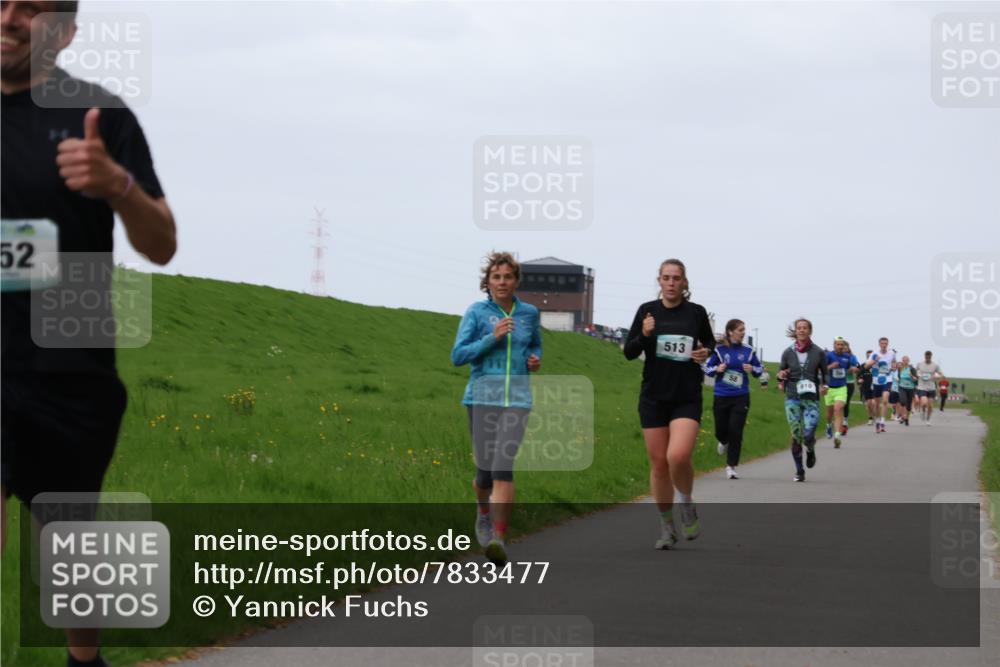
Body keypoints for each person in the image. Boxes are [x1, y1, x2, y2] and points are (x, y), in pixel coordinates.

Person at [2, 3, 177, 666]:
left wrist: (119, 186)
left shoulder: (99, 116)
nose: (12, 17)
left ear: (67, 31)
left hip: (68, 368)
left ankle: (86, 660)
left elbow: (161, 243)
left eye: (34, 8)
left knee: (68, 542)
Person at [452, 251, 541, 566]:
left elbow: (535, 345)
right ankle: (483, 512)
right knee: (485, 474)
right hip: (481, 399)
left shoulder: (529, 313)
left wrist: (534, 359)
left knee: (504, 467)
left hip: (517, 400)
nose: (502, 282)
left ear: (516, 281)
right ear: (487, 282)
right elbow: (458, 355)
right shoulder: (476, 313)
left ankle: (499, 539)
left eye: (508, 277)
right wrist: (493, 337)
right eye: (496, 277)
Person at [624, 259, 714, 549]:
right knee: (659, 464)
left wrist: (703, 353)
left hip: (686, 395)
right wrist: (645, 334)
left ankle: (685, 501)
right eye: (666, 278)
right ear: (659, 281)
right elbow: (629, 351)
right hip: (653, 396)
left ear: (684, 282)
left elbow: (709, 346)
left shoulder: (696, 313)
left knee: (678, 456)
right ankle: (666, 525)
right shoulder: (646, 311)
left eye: (677, 278)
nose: (672, 283)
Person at [704, 319, 763, 479]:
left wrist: (752, 368)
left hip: (741, 396)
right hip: (721, 396)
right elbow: (707, 368)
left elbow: (759, 369)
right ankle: (723, 441)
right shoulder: (720, 350)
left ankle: (731, 466)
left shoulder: (748, 350)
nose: (743, 332)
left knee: (736, 431)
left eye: (744, 330)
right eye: (740, 330)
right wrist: (717, 368)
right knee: (720, 430)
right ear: (730, 332)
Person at [777, 318, 828, 482]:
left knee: (808, 433)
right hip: (792, 396)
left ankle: (811, 449)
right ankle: (799, 470)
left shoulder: (819, 352)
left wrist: (825, 385)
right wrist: (781, 378)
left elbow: (825, 372)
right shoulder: (787, 352)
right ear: (796, 331)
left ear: (810, 331)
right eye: (799, 328)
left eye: (805, 328)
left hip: (811, 398)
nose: (801, 330)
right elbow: (780, 372)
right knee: (796, 434)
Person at [823, 337, 859, 448]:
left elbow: (848, 368)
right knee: (829, 414)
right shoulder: (828, 356)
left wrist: (853, 369)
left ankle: (837, 436)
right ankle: (829, 425)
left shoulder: (847, 357)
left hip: (842, 387)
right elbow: (822, 369)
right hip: (829, 388)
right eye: (838, 344)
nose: (840, 346)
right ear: (834, 345)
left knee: (838, 409)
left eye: (842, 344)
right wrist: (831, 366)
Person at [864, 338, 897, 433]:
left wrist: (894, 367)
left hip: (887, 379)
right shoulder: (874, 353)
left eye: (885, 343)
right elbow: (866, 366)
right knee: (877, 404)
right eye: (882, 343)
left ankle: (883, 422)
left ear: (888, 344)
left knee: (885, 400)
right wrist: (874, 361)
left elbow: (894, 361)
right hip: (876, 381)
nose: (884, 345)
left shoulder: (891, 353)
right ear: (879, 344)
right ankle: (878, 421)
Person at [915, 351, 943, 425]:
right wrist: (917, 375)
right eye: (926, 357)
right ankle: (922, 411)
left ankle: (928, 419)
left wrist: (936, 376)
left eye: (929, 357)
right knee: (924, 403)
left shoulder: (935, 365)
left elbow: (941, 374)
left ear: (931, 356)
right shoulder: (920, 364)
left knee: (930, 405)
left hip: (931, 388)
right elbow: (914, 372)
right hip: (922, 387)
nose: (927, 358)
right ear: (924, 356)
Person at [896, 355, 917, 426]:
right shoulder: (900, 369)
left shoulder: (912, 369)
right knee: (902, 401)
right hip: (902, 387)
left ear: (908, 361)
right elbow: (899, 377)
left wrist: (911, 376)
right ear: (902, 361)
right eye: (903, 360)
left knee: (908, 405)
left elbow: (915, 379)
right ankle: (903, 416)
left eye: (906, 360)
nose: (905, 362)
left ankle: (907, 418)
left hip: (910, 388)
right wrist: (899, 381)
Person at [842, 340, 857, 434]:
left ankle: (845, 422)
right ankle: (838, 422)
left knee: (845, 403)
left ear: (848, 347)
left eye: (845, 346)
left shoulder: (852, 357)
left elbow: (856, 368)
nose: (843, 348)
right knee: (838, 404)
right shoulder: (834, 357)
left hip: (849, 382)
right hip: (837, 383)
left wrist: (852, 369)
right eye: (841, 346)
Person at [858, 349, 877, 426]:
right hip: (865, 386)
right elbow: (859, 375)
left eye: (870, 356)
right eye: (868, 356)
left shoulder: (876, 365)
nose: (869, 357)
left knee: (873, 402)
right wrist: (859, 379)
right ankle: (870, 418)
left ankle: (875, 416)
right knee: (868, 404)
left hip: (875, 386)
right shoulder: (863, 365)